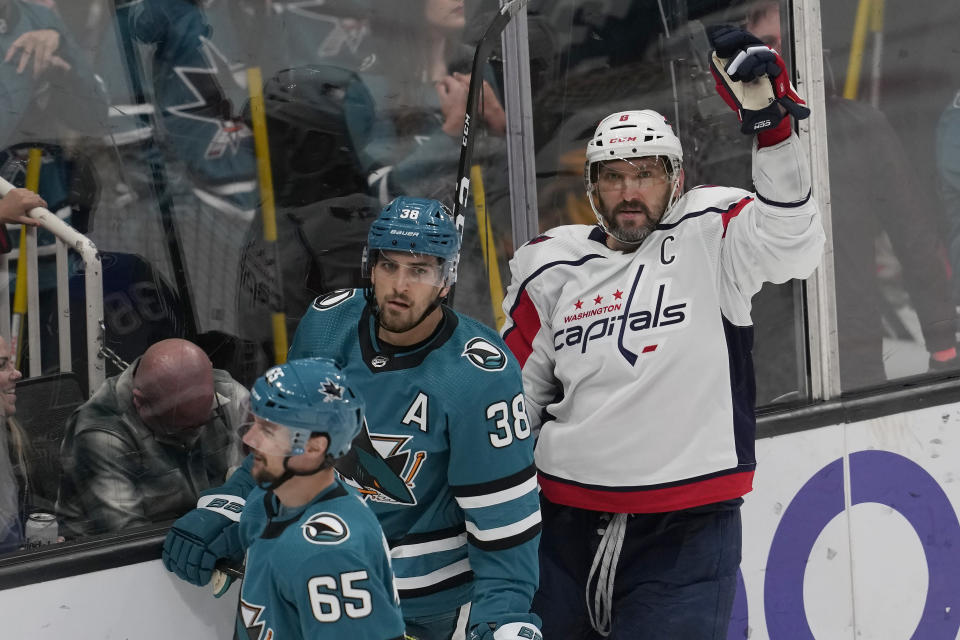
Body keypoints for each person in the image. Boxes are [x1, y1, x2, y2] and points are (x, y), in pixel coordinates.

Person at [499, 28, 824, 640]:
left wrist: (772, 129)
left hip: (686, 529)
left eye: (645, 174)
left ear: (674, 178)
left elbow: (793, 244)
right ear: (590, 186)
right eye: (613, 176)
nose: (629, 192)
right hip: (560, 525)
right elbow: (514, 397)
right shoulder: (549, 264)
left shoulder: (712, 233)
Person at [164, 197, 542, 640]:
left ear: (446, 280)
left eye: (419, 270)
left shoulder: (478, 375)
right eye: (389, 266)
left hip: (409, 606)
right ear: (370, 266)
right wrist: (229, 507)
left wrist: (502, 616)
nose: (400, 285)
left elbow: (506, 524)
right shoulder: (328, 323)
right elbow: (283, 446)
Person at [743, 0, 957, 389]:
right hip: (755, 370)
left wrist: (943, 342)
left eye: (785, 42)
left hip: (852, 358)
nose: (775, 55)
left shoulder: (861, 128)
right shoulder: (726, 144)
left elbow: (915, 238)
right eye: (764, 44)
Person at [230, 357, 406, 639]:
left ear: (313, 447)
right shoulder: (264, 504)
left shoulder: (327, 553)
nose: (250, 439)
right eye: (253, 423)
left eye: (267, 430)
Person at [58, 338, 247, 537]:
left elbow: (270, 475)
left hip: (210, 535)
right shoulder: (101, 433)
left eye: (207, 417)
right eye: (182, 429)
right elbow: (130, 538)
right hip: (120, 556)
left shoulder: (225, 391)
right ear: (140, 402)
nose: (195, 437)